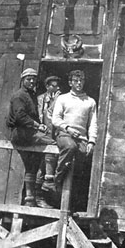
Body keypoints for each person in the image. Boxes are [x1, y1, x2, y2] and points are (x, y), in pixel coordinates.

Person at [6, 68, 55, 207]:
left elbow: (33, 115)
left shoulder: (31, 95)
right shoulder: (19, 96)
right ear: (23, 80)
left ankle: (30, 199)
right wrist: (37, 126)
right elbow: (20, 116)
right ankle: (47, 182)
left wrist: (40, 125)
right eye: (29, 79)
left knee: (31, 166)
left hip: (29, 133)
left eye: (34, 78)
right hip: (21, 133)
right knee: (52, 145)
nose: (32, 81)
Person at [51, 70, 97, 208]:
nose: (79, 83)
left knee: (82, 159)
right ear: (70, 82)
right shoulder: (63, 98)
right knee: (70, 147)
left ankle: (71, 202)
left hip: (81, 138)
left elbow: (93, 123)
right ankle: (57, 181)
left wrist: (91, 141)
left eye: (81, 80)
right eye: (75, 81)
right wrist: (68, 128)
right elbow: (56, 119)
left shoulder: (90, 102)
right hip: (65, 135)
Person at [34, 75, 62, 208]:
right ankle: (37, 198)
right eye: (53, 86)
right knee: (41, 166)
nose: (57, 88)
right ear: (47, 86)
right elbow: (43, 116)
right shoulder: (40, 99)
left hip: (53, 135)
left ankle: (42, 198)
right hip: (42, 135)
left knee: (48, 166)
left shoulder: (59, 99)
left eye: (57, 86)